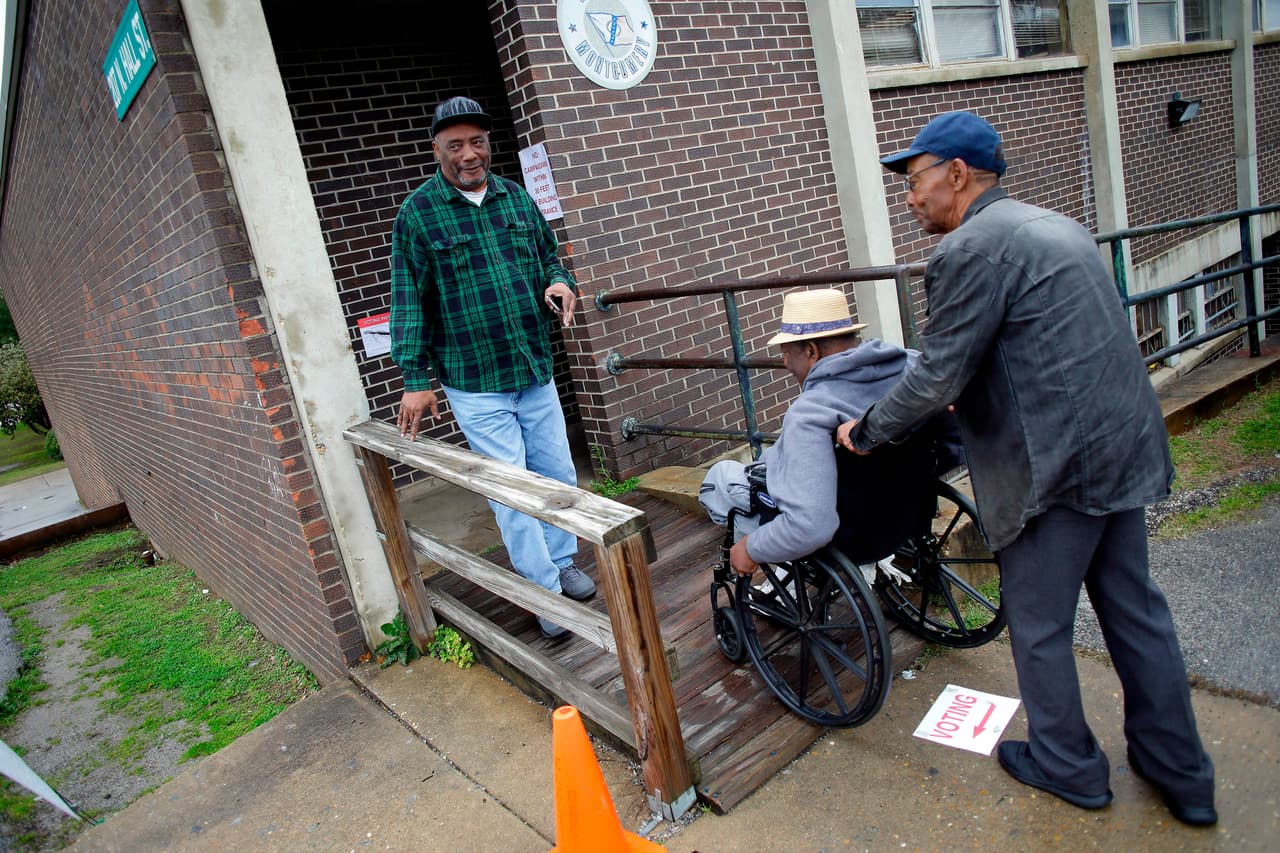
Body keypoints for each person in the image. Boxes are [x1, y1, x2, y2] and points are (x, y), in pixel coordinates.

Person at [835, 111, 1216, 825]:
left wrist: (867, 430)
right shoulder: (1058, 225)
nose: (910, 197)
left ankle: (1069, 765)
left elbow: (937, 374)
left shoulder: (967, 250)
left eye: (915, 180)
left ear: (957, 173)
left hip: (1055, 471)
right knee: (1136, 612)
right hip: (1119, 449)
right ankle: (1184, 775)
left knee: (1039, 626)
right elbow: (1036, 344)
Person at [389, 95, 594, 640]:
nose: (469, 154)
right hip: (474, 383)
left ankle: (563, 561)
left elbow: (549, 255)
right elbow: (409, 299)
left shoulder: (515, 199)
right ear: (437, 149)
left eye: (476, 141)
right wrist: (414, 380)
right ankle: (545, 595)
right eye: (455, 145)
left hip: (533, 367)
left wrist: (559, 282)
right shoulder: (418, 214)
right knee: (512, 493)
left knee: (556, 475)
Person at [699, 288, 922, 580]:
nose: (784, 363)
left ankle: (776, 575)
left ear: (811, 351)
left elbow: (811, 526)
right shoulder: (914, 369)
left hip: (851, 529)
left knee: (720, 478)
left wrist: (750, 548)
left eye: (786, 353)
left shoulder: (811, 414)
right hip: (907, 509)